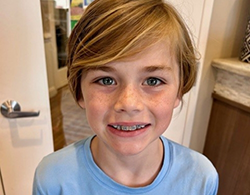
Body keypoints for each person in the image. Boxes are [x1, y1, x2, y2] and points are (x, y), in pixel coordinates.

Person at [33, 0, 219, 194]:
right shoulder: (52, 178)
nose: (129, 104)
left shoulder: (200, 178)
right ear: (80, 92)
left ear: (179, 91)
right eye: (106, 80)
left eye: (153, 81)